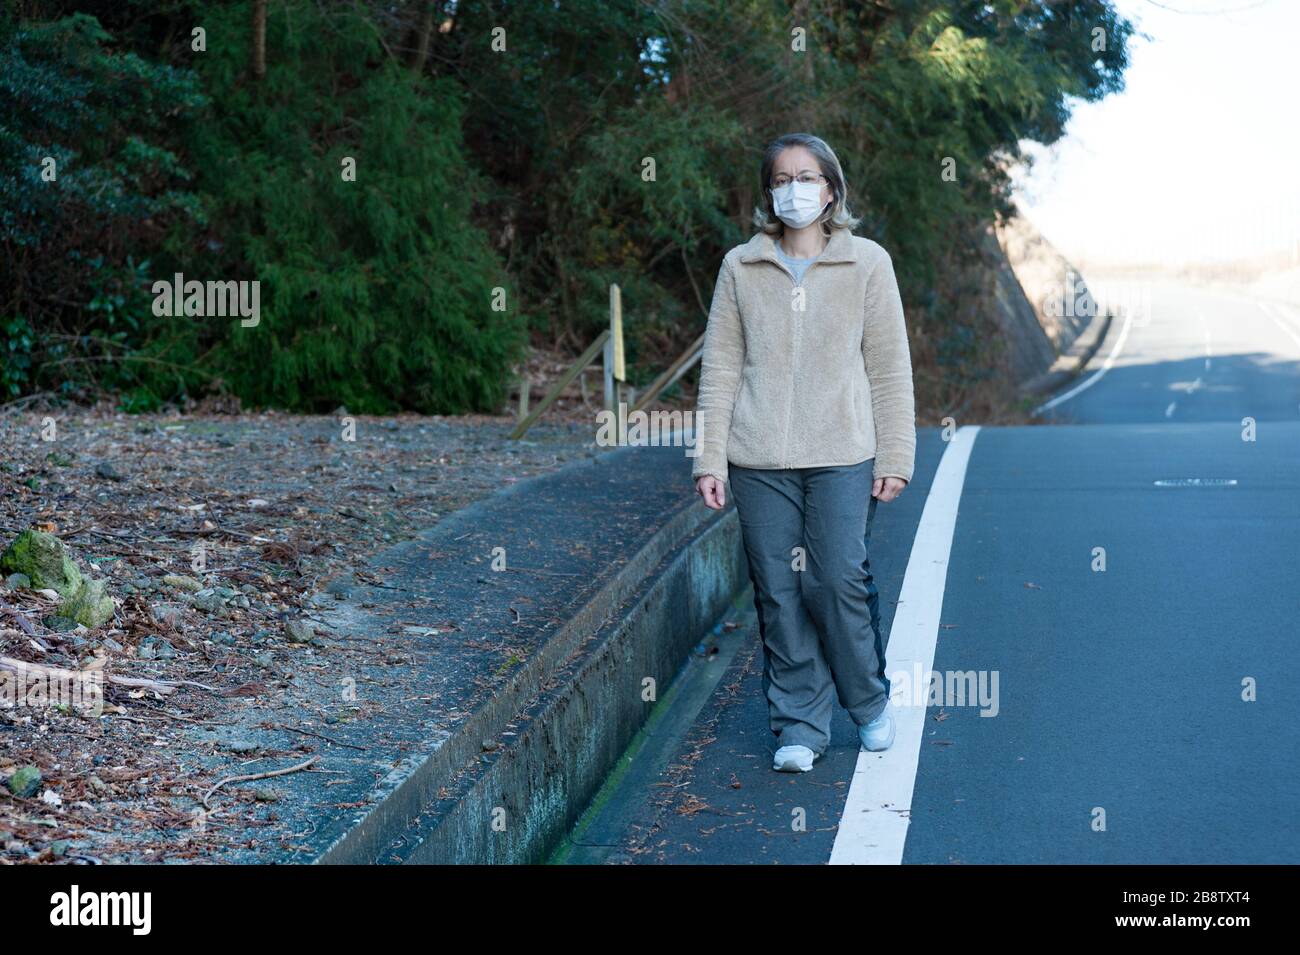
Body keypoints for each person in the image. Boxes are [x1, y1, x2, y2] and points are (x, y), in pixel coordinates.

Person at [691, 132, 917, 773]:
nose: (796, 190)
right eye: (783, 179)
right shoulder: (741, 267)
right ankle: (799, 726)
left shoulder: (867, 263)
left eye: (808, 177)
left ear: (832, 189)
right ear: (769, 193)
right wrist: (710, 459)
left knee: (836, 578)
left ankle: (868, 703)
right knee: (779, 590)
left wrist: (895, 452)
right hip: (758, 458)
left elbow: (889, 368)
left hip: (844, 452)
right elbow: (722, 368)